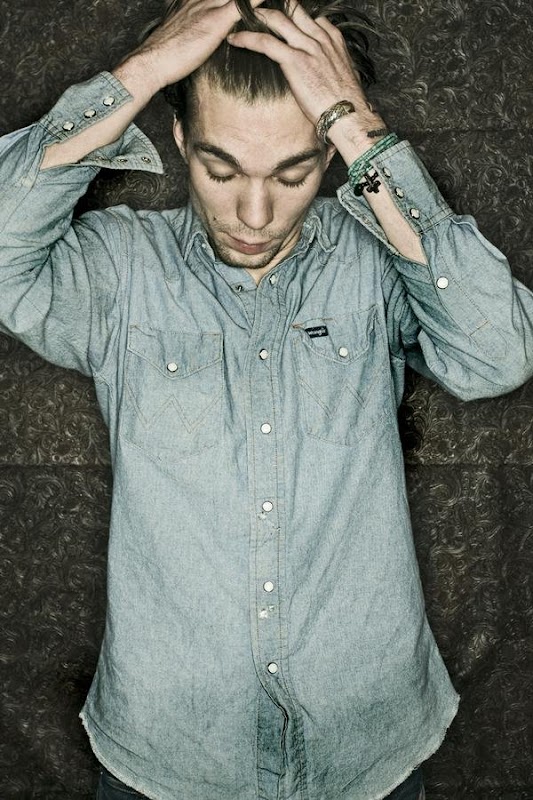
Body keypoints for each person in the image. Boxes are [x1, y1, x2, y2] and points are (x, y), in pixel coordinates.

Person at [1, 0, 532, 797]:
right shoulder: (117, 269)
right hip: (169, 753)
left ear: (327, 156)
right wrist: (139, 73)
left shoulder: (376, 259)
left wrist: (357, 126)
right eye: (221, 170)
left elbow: (498, 355)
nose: (254, 214)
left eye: (293, 172)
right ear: (180, 139)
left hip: (366, 746)